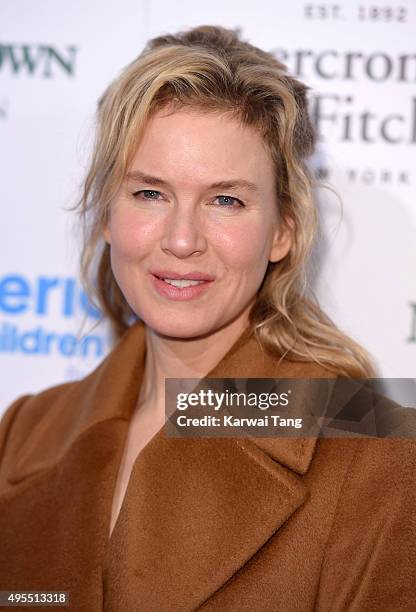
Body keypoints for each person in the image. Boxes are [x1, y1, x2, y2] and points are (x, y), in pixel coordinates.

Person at [0, 25, 415, 612]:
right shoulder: (25, 432)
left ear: (282, 231)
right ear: (106, 215)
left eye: (226, 200)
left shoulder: (377, 451)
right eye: (149, 193)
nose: (182, 239)